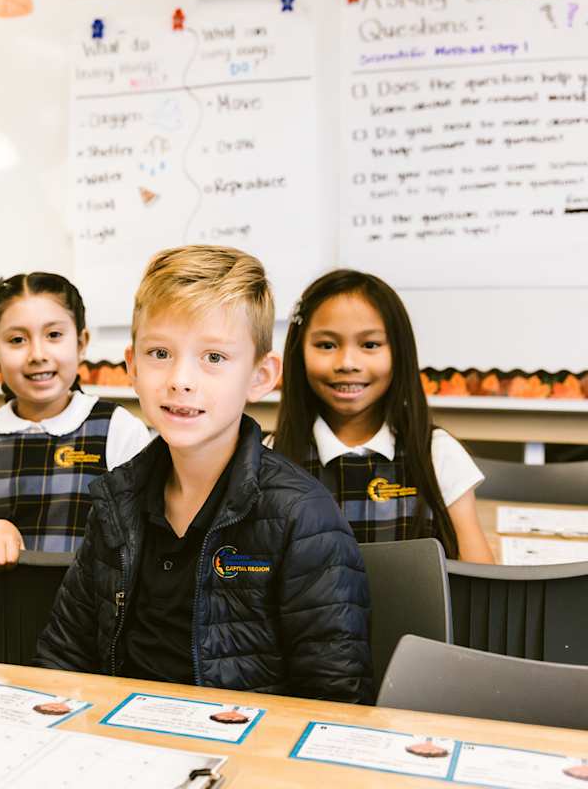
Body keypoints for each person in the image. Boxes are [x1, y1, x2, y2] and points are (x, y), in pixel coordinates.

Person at [36, 246, 372, 703]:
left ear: (260, 376)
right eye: (160, 353)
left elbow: (335, 704)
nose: (180, 379)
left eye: (213, 358)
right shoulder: (117, 500)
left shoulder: (301, 518)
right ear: (132, 367)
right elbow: (62, 657)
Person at [273, 269, 493, 562]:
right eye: (326, 345)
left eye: (370, 345)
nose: (348, 363)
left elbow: (480, 577)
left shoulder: (437, 453)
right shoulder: (272, 457)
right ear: (298, 353)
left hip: (415, 610)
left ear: (399, 352)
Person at [0, 273, 150, 567]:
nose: (38, 354)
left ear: (81, 342)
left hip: (94, 606)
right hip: (10, 606)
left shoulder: (118, 429)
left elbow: (140, 537)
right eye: (17, 340)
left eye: (54, 335)